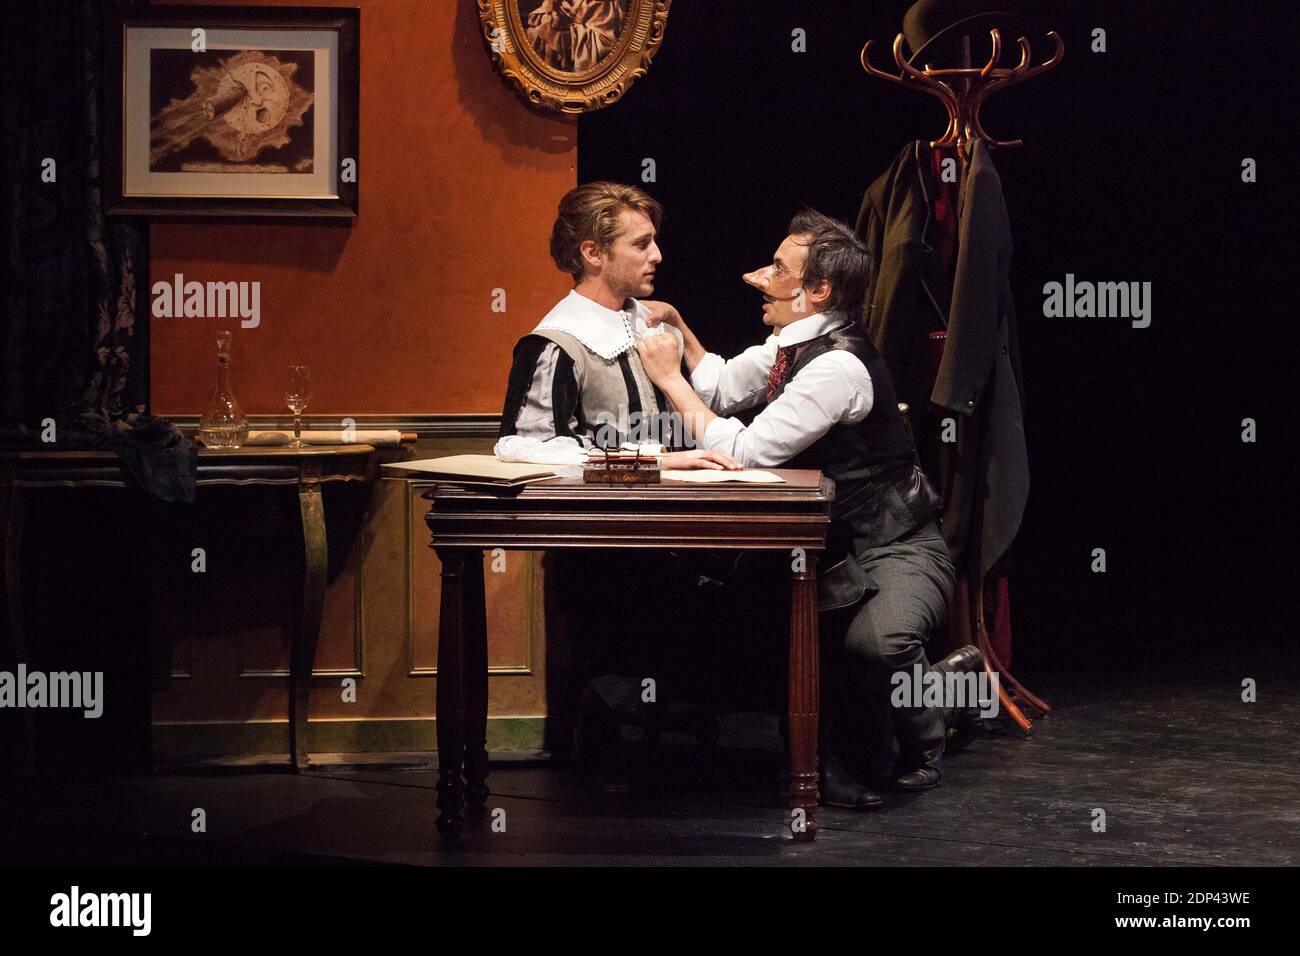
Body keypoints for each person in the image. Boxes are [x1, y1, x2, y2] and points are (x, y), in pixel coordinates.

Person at [634, 208, 983, 807]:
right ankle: (876, 734)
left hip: (895, 544)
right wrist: (680, 327)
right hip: (833, 549)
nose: (754, 278)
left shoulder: (838, 366)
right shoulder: (787, 345)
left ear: (816, 291)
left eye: (776, 269)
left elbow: (743, 450)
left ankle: (940, 714)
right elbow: (719, 387)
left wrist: (668, 380)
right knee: (828, 671)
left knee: (875, 648)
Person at [494, 181, 736, 791]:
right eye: (642, 243)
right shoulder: (558, 343)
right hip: (604, 546)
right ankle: (607, 738)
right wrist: (654, 464)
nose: (657, 256)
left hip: (675, 529)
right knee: (624, 629)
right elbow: (526, 448)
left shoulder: (651, 324)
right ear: (593, 253)